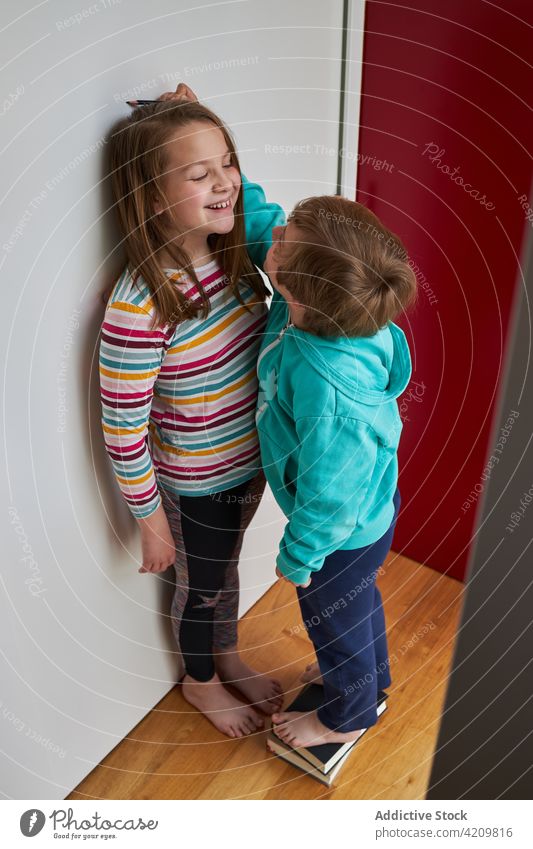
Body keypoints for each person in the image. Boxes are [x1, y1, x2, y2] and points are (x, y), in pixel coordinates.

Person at [99, 94, 286, 738]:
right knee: (202, 585)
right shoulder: (141, 303)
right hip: (197, 484)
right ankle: (199, 679)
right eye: (199, 173)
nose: (225, 180)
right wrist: (150, 522)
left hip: (247, 467)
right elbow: (122, 429)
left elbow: (227, 192)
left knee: (225, 571)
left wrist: (195, 109)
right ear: (153, 199)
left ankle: (225, 653)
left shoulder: (232, 262)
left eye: (227, 163)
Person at [256, 196, 417, 748]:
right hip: (366, 516)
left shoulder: (327, 388)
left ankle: (346, 717)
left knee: (334, 623)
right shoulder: (333, 306)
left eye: (284, 240)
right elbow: (264, 230)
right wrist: (233, 179)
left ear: (295, 293)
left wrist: (298, 555)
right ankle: (369, 682)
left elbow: (330, 495)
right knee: (358, 605)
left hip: (340, 532)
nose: (274, 232)